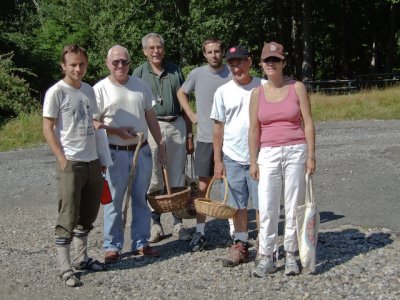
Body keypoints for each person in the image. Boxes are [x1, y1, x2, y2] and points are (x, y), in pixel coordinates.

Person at [249, 42, 316, 277]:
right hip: (268, 152)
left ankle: (291, 254)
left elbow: (307, 122)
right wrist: (253, 161)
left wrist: (311, 155)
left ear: (283, 62)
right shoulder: (257, 93)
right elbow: (254, 129)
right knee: (267, 205)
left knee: (293, 204)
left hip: (296, 150)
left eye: (275, 60)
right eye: (267, 60)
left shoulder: (297, 87)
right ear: (261, 64)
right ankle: (266, 255)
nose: (271, 64)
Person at [94, 45, 166, 263]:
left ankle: (141, 242)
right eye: (115, 62)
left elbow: (150, 116)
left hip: (141, 150)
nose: (120, 66)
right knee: (114, 201)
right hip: (114, 152)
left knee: (140, 199)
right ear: (107, 63)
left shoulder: (141, 86)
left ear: (130, 63)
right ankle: (112, 246)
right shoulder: (99, 89)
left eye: (124, 61)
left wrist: (160, 143)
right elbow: (94, 122)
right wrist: (116, 131)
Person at [43, 44, 106, 287]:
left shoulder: (89, 90)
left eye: (81, 64)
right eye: (73, 65)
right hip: (71, 161)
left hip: (92, 160)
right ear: (63, 66)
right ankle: (64, 267)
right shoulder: (56, 92)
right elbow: (48, 126)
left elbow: (94, 122)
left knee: (88, 213)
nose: (77, 69)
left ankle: (82, 258)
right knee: (68, 213)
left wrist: (102, 156)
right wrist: (61, 157)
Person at [133, 33, 193, 242]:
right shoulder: (139, 73)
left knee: (177, 173)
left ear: (164, 49)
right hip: (152, 125)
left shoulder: (175, 70)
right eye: (151, 48)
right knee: (153, 175)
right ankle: (155, 223)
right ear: (145, 51)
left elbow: (184, 103)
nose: (156, 51)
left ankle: (178, 223)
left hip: (176, 124)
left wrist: (190, 133)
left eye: (159, 47)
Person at [177, 38, 232, 252]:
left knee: (232, 186)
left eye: (217, 51)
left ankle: (235, 231)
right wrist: (190, 114)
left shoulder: (232, 73)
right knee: (203, 187)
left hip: (231, 141)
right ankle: (200, 232)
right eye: (210, 52)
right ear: (204, 54)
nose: (214, 55)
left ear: (223, 52)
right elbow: (181, 93)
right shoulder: (197, 74)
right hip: (205, 139)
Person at [210, 45, 263, 266]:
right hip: (232, 156)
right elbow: (218, 128)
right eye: (231, 64)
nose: (236, 68)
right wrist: (218, 161)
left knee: (263, 204)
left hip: (260, 156)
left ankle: (264, 245)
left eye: (240, 62)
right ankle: (240, 244)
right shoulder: (222, 91)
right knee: (237, 205)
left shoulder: (263, 86)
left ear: (249, 62)